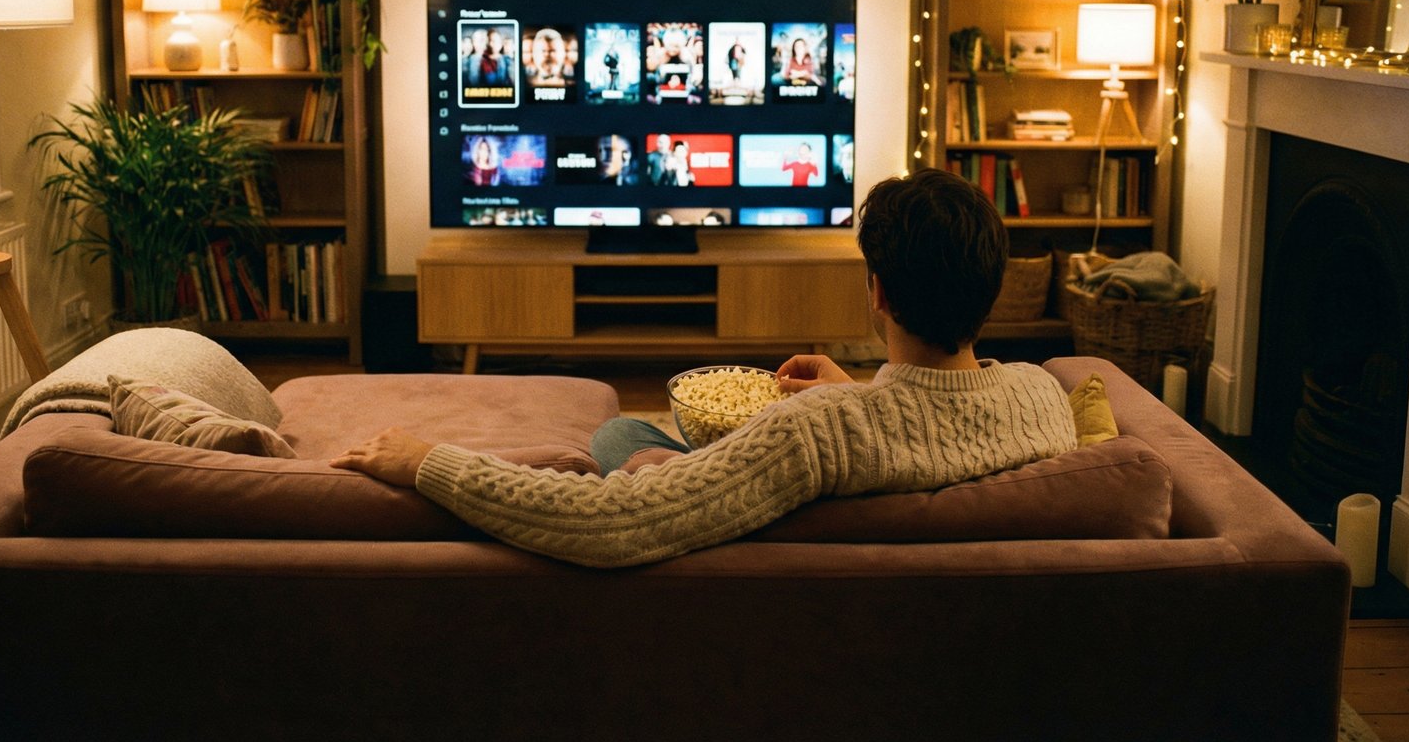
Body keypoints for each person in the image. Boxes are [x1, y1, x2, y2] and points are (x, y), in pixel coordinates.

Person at [332, 168, 1077, 568]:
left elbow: (607, 525)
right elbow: (934, 421)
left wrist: (430, 459)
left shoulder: (814, 429)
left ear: (877, 291)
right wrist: (862, 392)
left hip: (760, 556)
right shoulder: (1044, 395)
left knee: (623, 437)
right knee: (629, 434)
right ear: (991, 286)